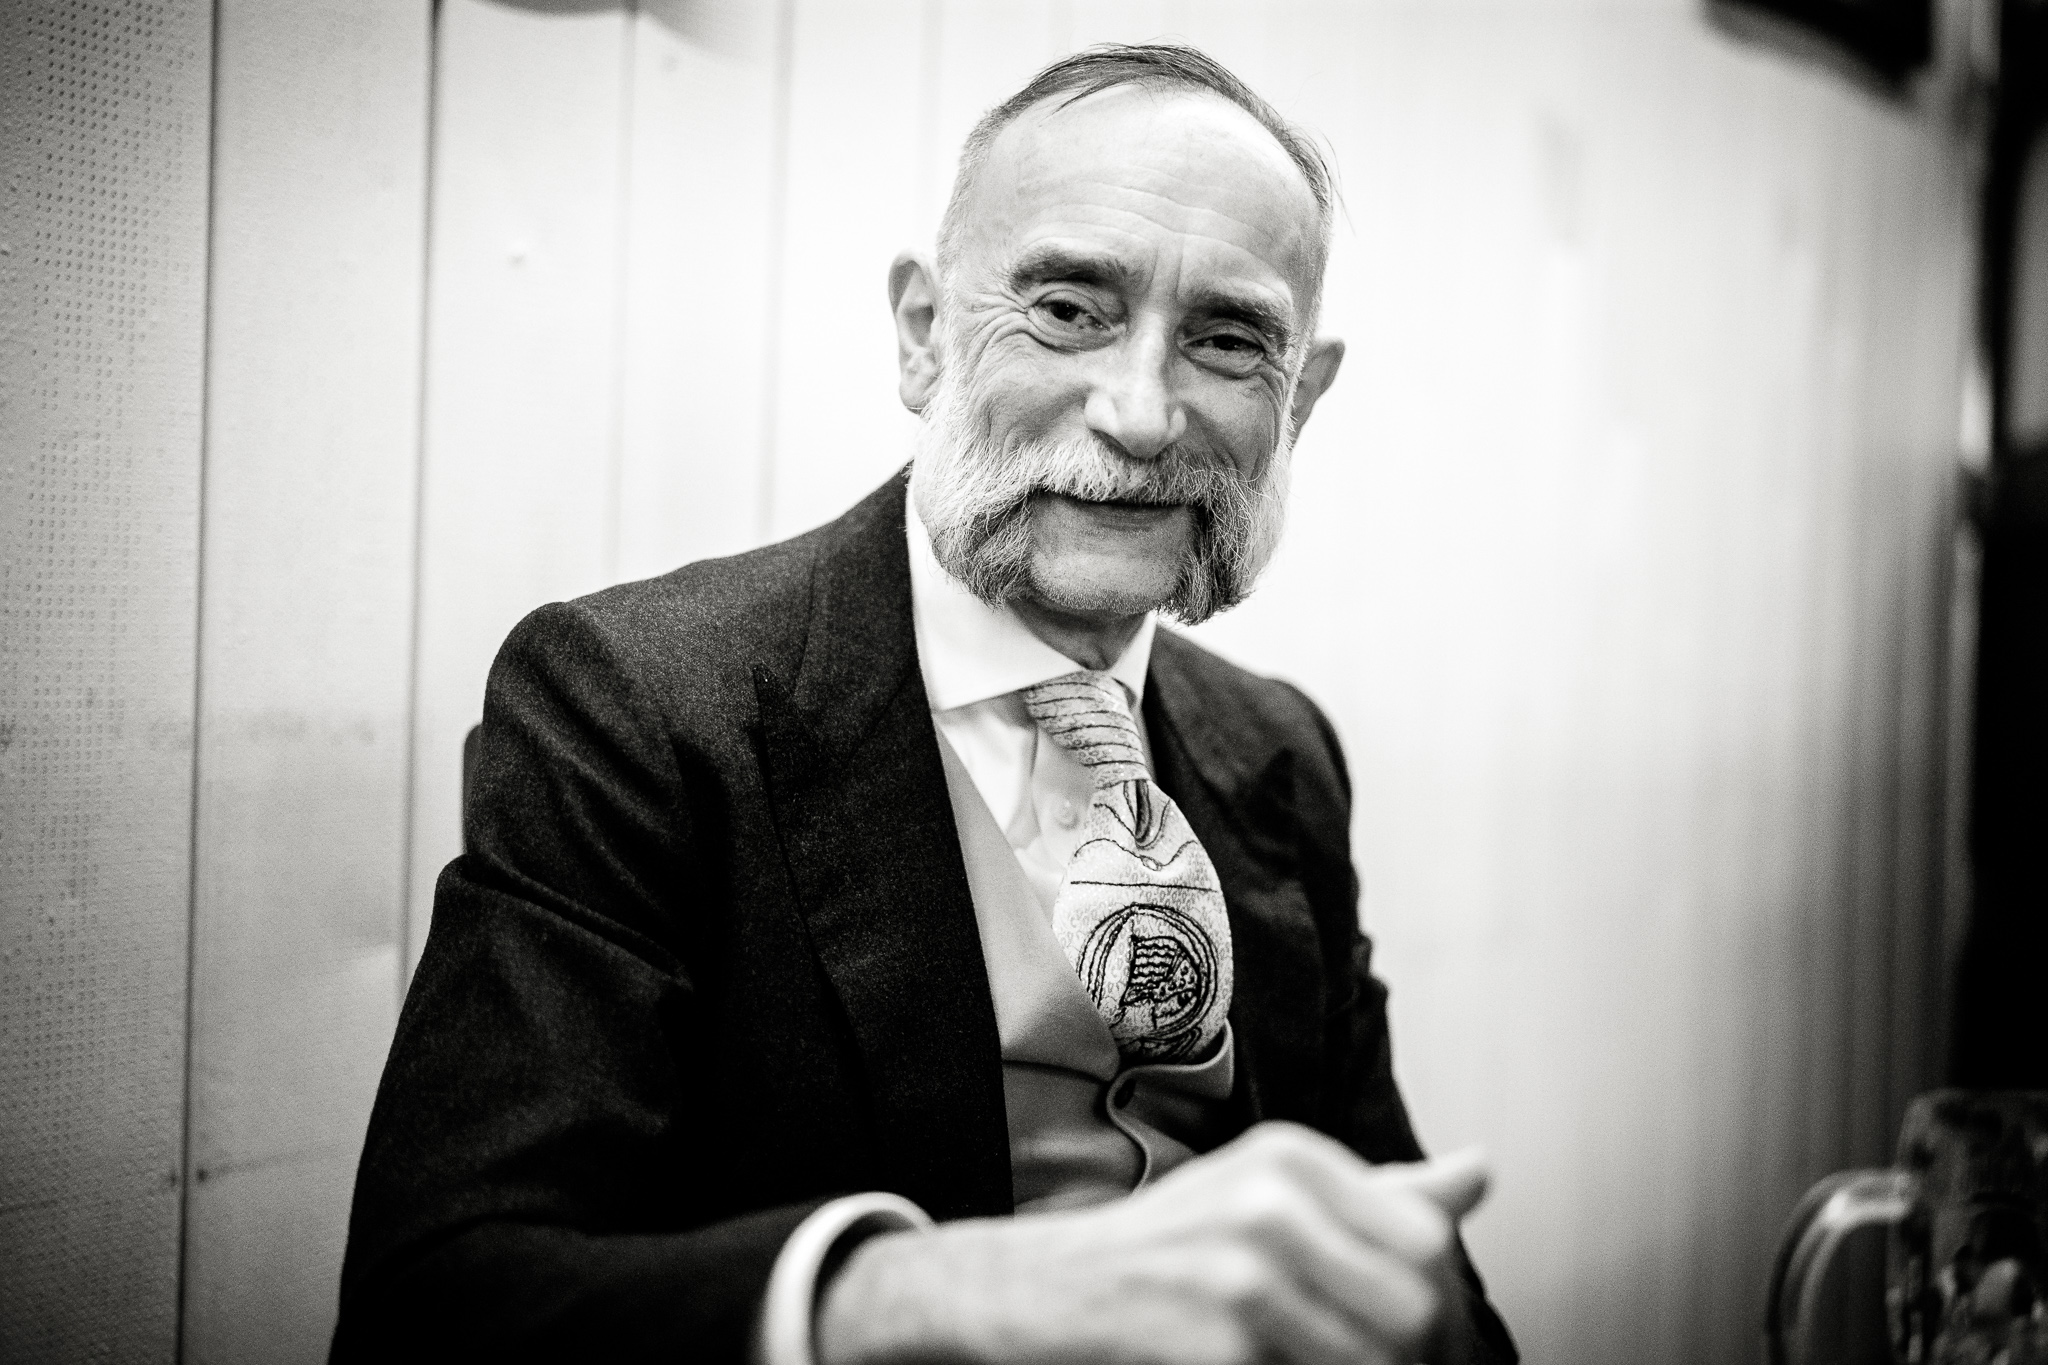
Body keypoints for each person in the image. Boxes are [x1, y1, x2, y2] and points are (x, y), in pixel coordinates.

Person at [333, 43, 1517, 1365]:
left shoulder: (1281, 752)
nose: (1140, 414)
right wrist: (928, 1299)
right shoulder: (635, 708)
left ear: (1301, 400)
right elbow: (433, 1306)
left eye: (1228, 341)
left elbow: (1407, 1260)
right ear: (922, 334)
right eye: (1068, 309)